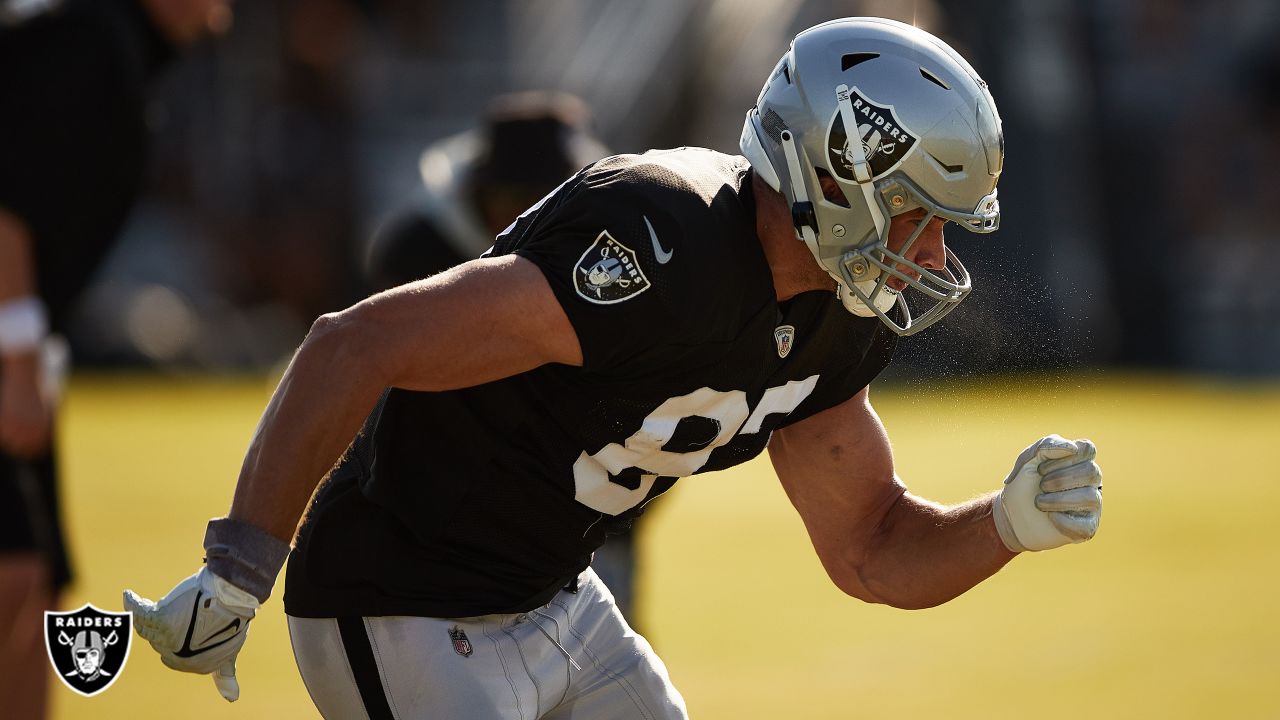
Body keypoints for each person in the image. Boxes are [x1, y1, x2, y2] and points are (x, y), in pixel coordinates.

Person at [125, 17, 1104, 718]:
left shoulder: (834, 320)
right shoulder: (657, 239)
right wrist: (237, 572)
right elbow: (352, 345)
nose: (931, 256)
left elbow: (871, 546)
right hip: (398, 605)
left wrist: (1004, 523)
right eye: (917, 214)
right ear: (836, 172)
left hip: (557, 598)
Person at [0, 0, 229, 715]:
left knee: (38, 583)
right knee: (12, 570)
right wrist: (15, 353)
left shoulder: (109, 47)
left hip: (27, 343)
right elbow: (3, 200)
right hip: (10, 344)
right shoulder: (84, 44)